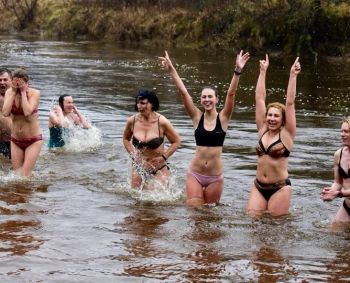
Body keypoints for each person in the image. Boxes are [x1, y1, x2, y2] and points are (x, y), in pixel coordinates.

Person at [159, 50, 250, 206]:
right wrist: (171, 69)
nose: (207, 100)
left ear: (216, 99)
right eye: (204, 97)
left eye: (210, 97)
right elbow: (183, 92)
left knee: (209, 216)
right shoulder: (196, 117)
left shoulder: (224, 118)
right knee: (194, 210)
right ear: (200, 100)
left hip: (215, 177)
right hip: (195, 173)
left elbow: (231, 94)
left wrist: (238, 71)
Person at [247, 55, 301, 216]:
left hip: (279, 188)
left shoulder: (287, 135)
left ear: (282, 120)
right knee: (252, 222)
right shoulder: (262, 129)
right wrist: (263, 72)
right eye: (269, 115)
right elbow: (259, 98)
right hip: (258, 186)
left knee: (274, 230)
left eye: (276, 116)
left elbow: (290, 103)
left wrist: (293, 76)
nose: (271, 118)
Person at [123, 90, 181, 189]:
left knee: (154, 198)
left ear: (152, 104)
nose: (139, 106)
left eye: (143, 103)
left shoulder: (162, 122)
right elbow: (125, 139)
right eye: (137, 102)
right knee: (134, 198)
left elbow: (176, 142)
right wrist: (134, 156)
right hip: (139, 166)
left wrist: (163, 158)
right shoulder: (132, 121)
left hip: (159, 167)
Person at [2, 68, 42, 176]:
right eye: (14, 82)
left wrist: (24, 93)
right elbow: (5, 112)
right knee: (17, 175)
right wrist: (13, 92)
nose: (17, 84)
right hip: (16, 140)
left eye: (20, 82)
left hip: (33, 140)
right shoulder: (9, 92)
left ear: (26, 82)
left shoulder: (35, 93)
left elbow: (27, 112)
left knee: (24, 176)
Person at [321, 117, 350, 223]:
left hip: (343, 196)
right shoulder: (338, 154)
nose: (342, 134)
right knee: (332, 234)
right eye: (341, 131)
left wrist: (338, 194)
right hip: (347, 207)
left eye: (346, 131)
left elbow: (339, 192)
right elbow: (338, 182)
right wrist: (331, 191)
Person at [0, 68, 12, 158]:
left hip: (15, 141)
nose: (2, 82)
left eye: (5, 80)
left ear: (11, 81)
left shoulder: (18, 96)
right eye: (0, 80)